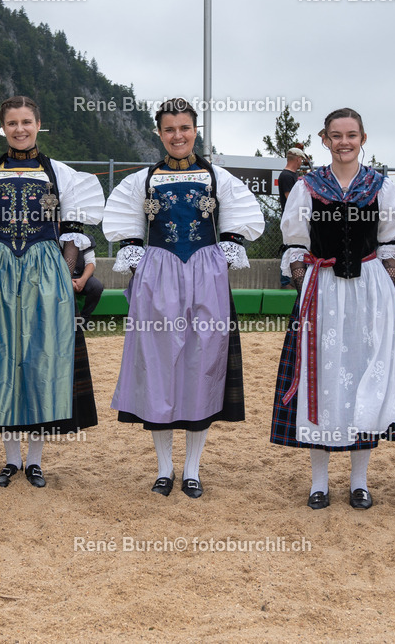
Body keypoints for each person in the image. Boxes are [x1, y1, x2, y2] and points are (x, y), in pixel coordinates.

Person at [104, 97, 264, 499]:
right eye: (170, 129)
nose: (178, 135)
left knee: (202, 364)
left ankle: (191, 469)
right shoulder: (142, 180)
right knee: (157, 366)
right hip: (156, 276)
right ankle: (163, 469)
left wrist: (223, 252)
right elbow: (128, 228)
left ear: (196, 131)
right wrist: (139, 261)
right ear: (159, 133)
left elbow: (236, 223)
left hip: (206, 275)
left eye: (185, 128)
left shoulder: (217, 179)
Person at [0, 96, 104, 487]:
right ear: (3, 127)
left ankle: (35, 460)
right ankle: (10, 459)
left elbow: (73, 230)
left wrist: (65, 273)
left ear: (37, 124)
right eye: (12, 123)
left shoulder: (60, 173)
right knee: (2, 360)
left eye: (26, 122)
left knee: (40, 359)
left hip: (45, 271)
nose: (20, 129)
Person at [270, 107, 395, 510]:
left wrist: (381, 287)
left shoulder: (380, 187)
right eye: (336, 135)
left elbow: (390, 245)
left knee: (365, 377)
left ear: (362, 138)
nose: (344, 142)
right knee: (321, 378)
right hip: (322, 290)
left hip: (368, 291)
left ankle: (360, 482)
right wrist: (306, 288)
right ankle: (319, 482)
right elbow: (295, 244)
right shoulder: (307, 186)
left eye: (351, 135)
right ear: (325, 140)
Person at [278, 144, 310, 288]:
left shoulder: (293, 175)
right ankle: (285, 281)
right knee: (289, 247)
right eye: (301, 160)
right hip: (291, 216)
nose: (301, 163)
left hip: (297, 216)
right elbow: (290, 197)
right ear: (297, 159)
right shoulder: (286, 175)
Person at [73, 235, 103, 324]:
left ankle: (84, 320)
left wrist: (83, 279)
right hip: (61, 277)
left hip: (82, 276)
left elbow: (91, 262)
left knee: (96, 286)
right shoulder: (55, 238)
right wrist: (67, 280)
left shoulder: (85, 238)